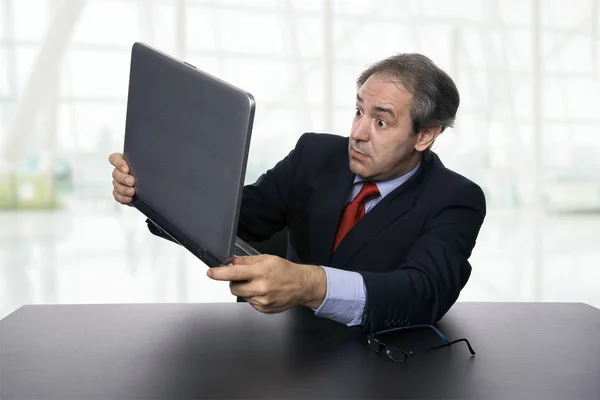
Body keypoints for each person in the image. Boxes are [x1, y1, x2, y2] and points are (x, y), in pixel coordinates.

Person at [109, 53, 486, 334]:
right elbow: (237, 215)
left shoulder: (456, 199)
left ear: (425, 135)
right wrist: (152, 187)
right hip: (281, 347)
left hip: (382, 367)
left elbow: (425, 291)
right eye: (358, 111)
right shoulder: (316, 155)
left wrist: (310, 285)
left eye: (381, 121)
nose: (357, 132)